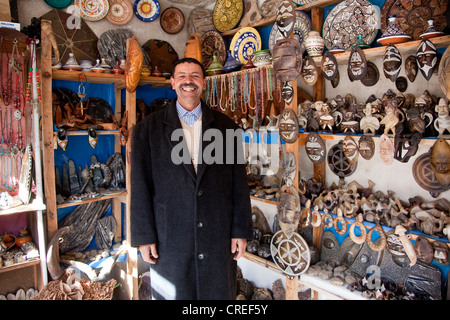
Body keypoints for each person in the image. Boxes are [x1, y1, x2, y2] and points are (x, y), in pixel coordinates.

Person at [130, 58, 252, 300]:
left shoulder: (227, 128)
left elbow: (239, 184)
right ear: (173, 83)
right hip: (170, 237)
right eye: (182, 76)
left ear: (203, 83)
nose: (189, 81)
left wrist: (240, 230)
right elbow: (140, 186)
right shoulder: (147, 130)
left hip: (217, 235)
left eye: (195, 76)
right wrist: (144, 237)